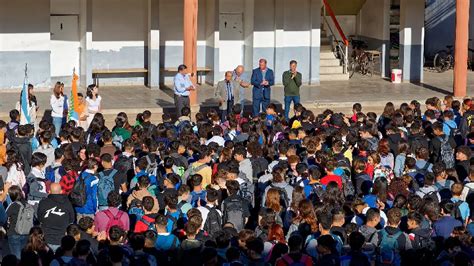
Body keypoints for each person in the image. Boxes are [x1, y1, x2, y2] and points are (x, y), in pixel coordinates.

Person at [36, 183, 75, 252]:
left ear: (49, 191)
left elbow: (39, 218)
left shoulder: (43, 202)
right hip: (61, 239)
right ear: (61, 191)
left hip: (46, 239)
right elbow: (72, 219)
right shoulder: (67, 203)